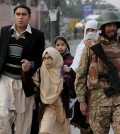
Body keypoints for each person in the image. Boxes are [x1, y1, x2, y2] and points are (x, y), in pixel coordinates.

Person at [0, 5, 45, 134]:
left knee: (23, 121)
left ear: (29, 17)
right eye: (18, 14)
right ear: (14, 16)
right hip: (5, 79)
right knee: (3, 115)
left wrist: (30, 64)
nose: (20, 17)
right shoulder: (4, 31)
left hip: (24, 82)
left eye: (24, 14)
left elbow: (41, 58)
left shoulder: (37, 35)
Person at [75, 11, 120, 134]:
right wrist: (82, 101)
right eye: (109, 25)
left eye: (114, 25)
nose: (112, 28)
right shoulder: (91, 47)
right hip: (98, 101)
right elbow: (81, 75)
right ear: (102, 27)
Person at [64, 20, 98, 134]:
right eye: (87, 30)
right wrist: (70, 71)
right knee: (84, 125)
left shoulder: (104, 46)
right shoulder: (81, 46)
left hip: (99, 92)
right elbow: (76, 67)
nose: (90, 33)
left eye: (93, 30)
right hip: (83, 91)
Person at [32, 47, 71, 134]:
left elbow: (73, 87)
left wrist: (70, 72)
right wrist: (24, 71)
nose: (47, 61)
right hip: (47, 107)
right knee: (44, 130)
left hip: (61, 108)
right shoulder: (40, 72)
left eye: (50, 58)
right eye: (44, 58)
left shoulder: (62, 71)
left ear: (55, 58)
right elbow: (31, 84)